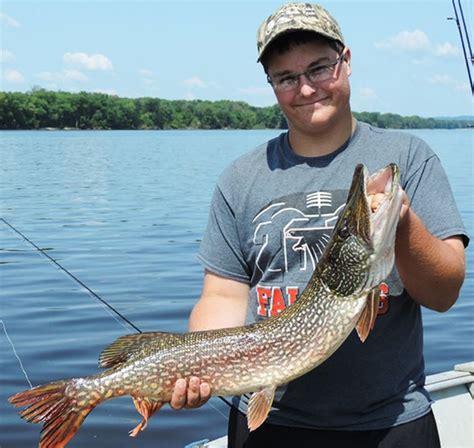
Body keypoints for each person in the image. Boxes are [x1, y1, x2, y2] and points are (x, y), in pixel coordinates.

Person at [170, 3, 468, 447]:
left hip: (391, 422)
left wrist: (400, 220)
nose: (306, 88)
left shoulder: (410, 155)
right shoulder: (241, 177)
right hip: (270, 423)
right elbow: (222, 296)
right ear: (271, 85)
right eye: (286, 77)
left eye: (318, 68)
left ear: (345, 62)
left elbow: (444, 293)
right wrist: (203, 364)